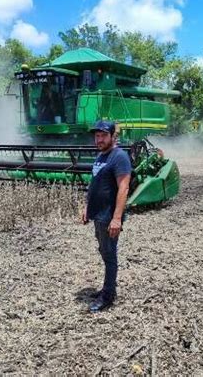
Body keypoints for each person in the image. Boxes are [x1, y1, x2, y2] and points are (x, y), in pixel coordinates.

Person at [81, 120, 132, 313]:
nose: (99, 139)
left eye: (103, 135)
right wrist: (87, 207)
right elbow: (94, 184)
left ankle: (108, 296)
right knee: (104, 251)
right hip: (98, 215)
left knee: (109, 254)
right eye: (97, 135)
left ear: (113, 136)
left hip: (109, 215)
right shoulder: (101, 156)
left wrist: (117, 218)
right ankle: (107, 287)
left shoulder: (119, 157)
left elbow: (123, 188)